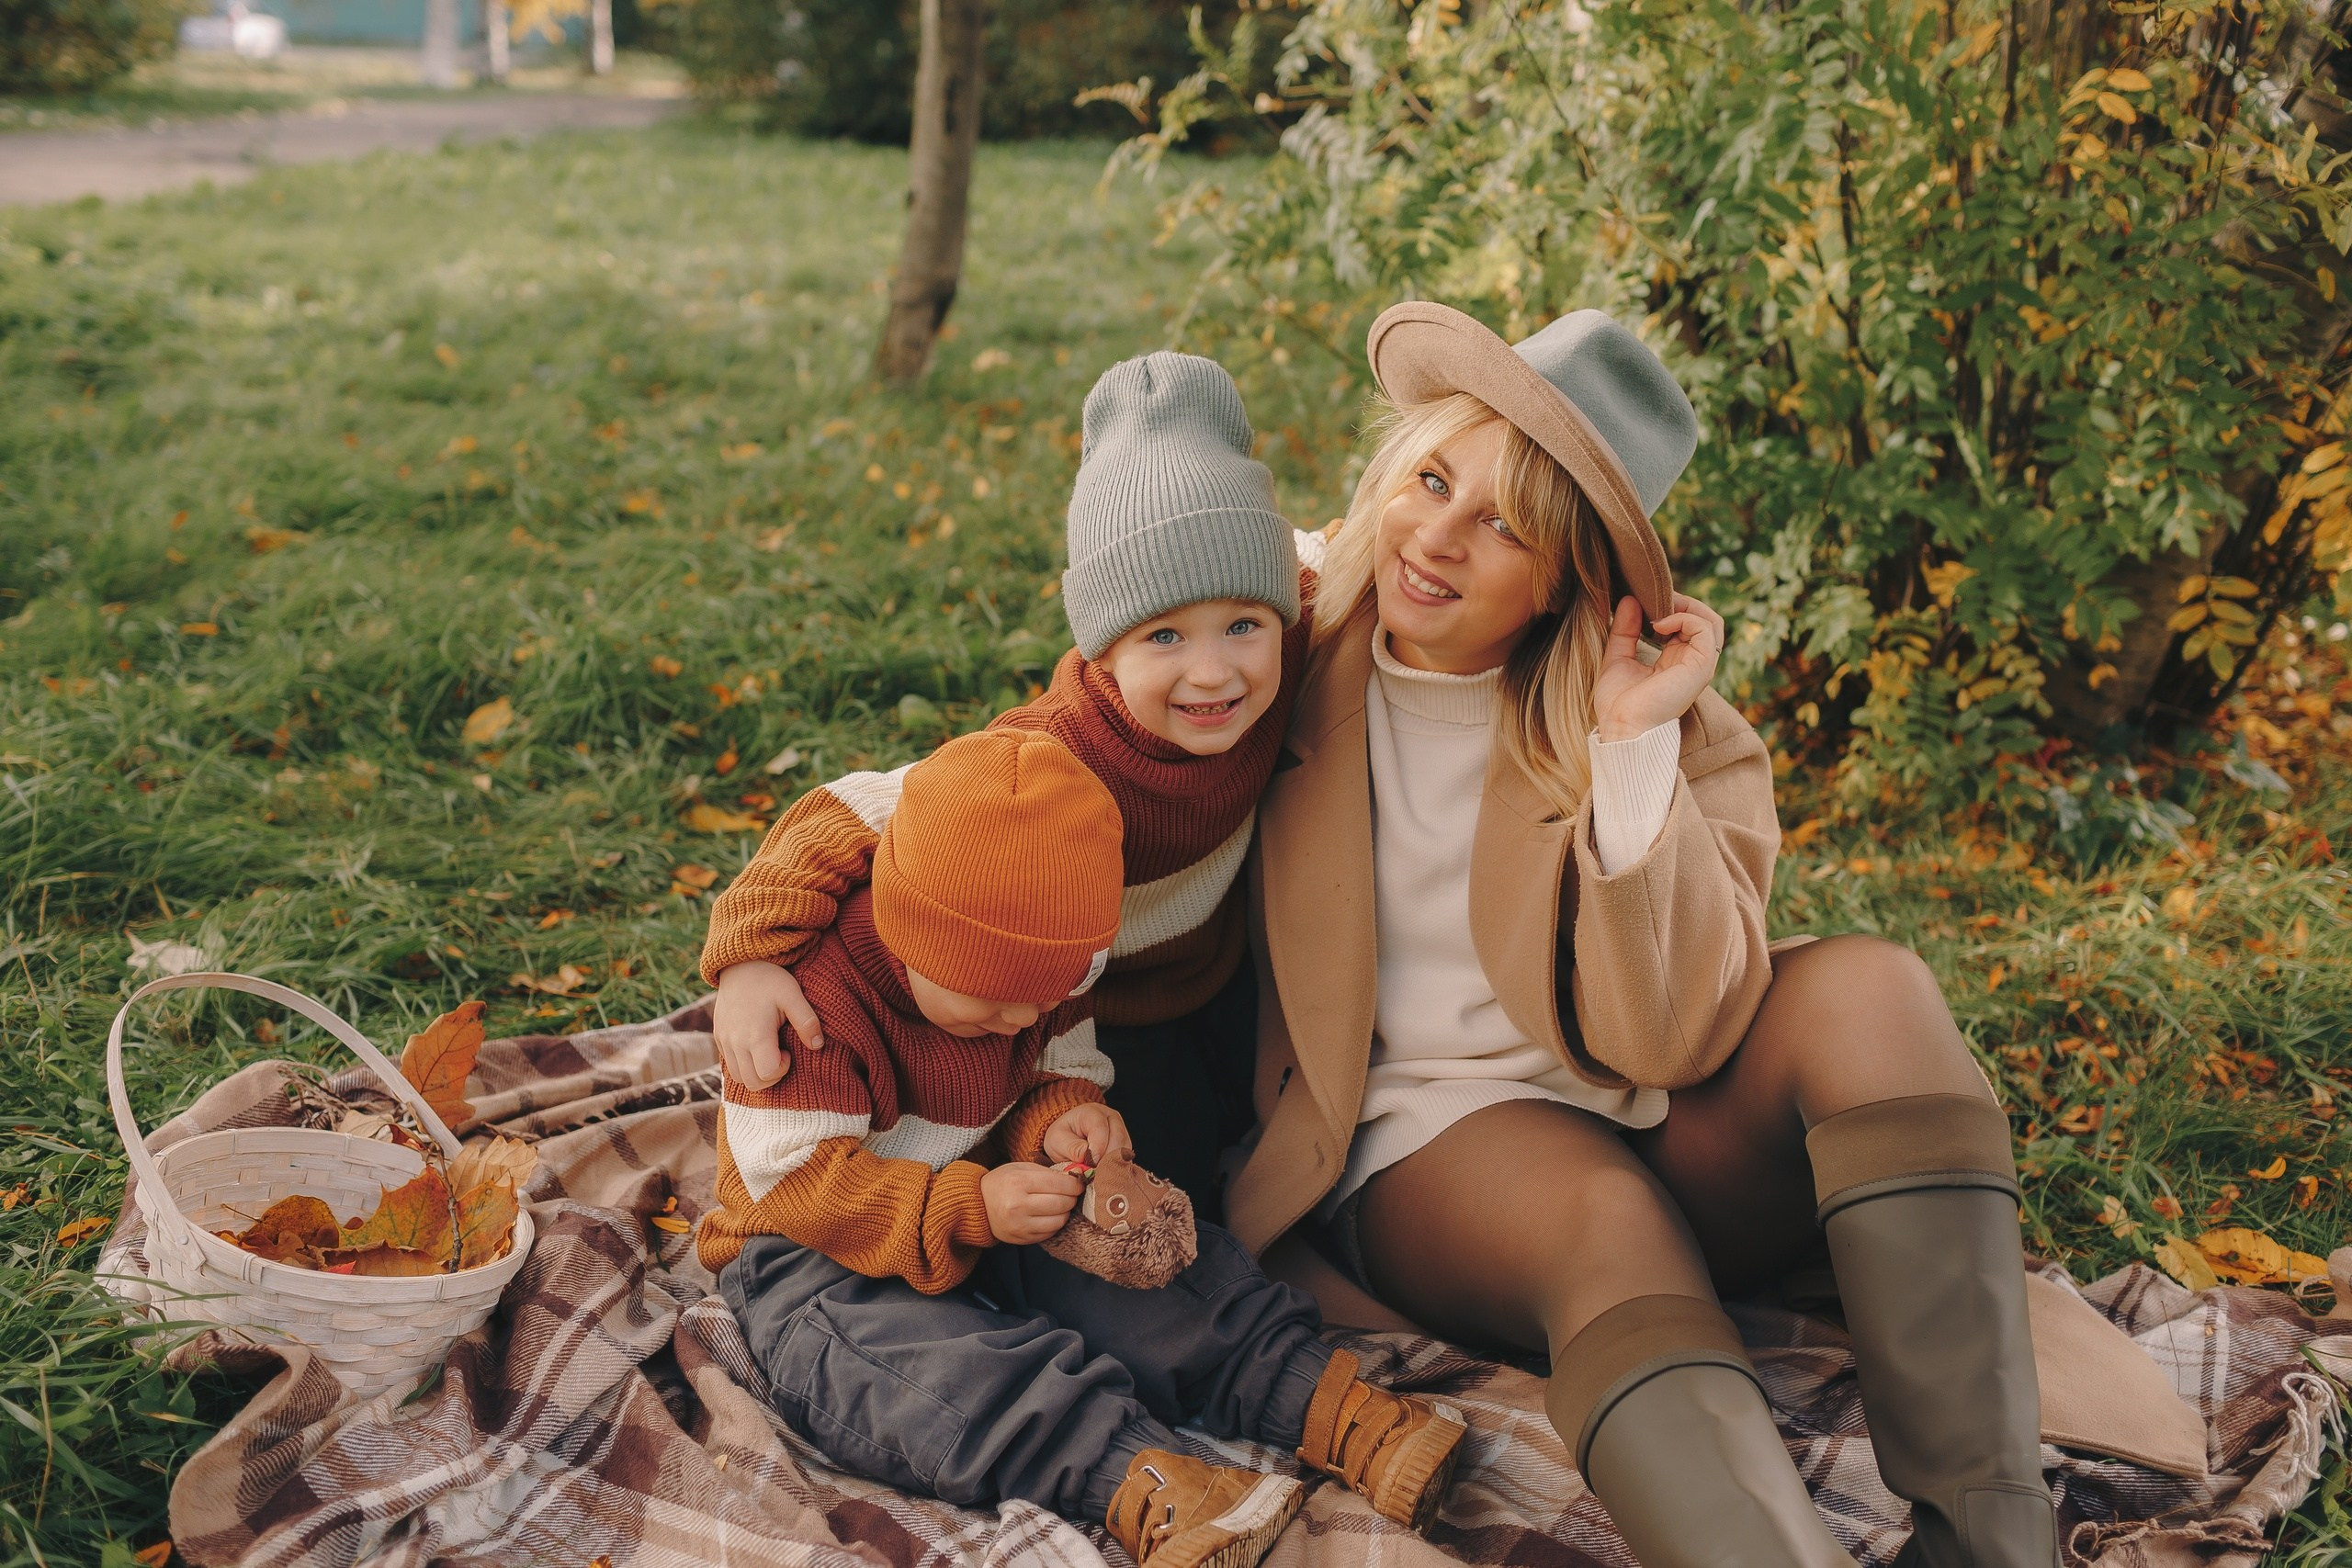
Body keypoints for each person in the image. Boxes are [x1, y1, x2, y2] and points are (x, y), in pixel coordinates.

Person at [1224, 302, 2056, 1568]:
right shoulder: (1278, 637)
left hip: (1650, 1109)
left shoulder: (1667, 723)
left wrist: (1628, 752)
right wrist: (812, 882)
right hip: (1425, 1133)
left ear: (1566, 578)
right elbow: (1063, 743)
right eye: (1433, 479)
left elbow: (1671, 1034)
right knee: (1602, 1213)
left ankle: (1993, 1541)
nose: (1435, 537)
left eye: (1502, 523)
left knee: (1874, 985)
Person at [705, 729, 1466, 1566]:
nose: (1019, 1022)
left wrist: (1061, 1117)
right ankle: (1139, 1474)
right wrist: (968, 1207)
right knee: (905, 1370)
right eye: (994, 1004)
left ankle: (1316, 1397)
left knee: (1130, 1259)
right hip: (812, 1244)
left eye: (1046, 999)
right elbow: (798, 1188)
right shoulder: (807, 1010)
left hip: (984, 1183)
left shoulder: (1035, 978)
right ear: (906, 930)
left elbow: (1052, 1064)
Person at [702, 351, 1316, 1209]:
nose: (1212, 672)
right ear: (1103, 645)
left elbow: (1351, 552)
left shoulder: (1293, 637)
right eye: (1164, 638)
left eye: (1243, 623)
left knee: (1281, 1144)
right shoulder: (1057, 754)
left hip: (1219, 969)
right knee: (1161, 1185)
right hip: (1074, 1015)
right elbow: (860, 810)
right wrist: (748, 959)